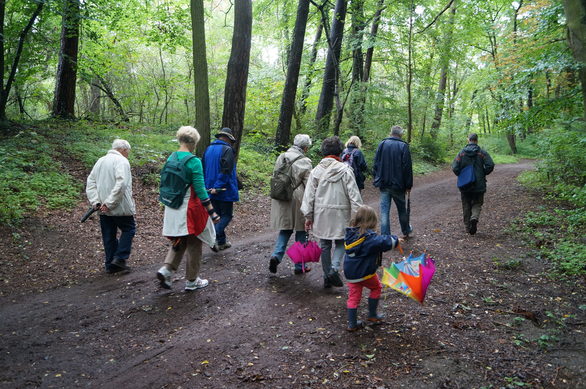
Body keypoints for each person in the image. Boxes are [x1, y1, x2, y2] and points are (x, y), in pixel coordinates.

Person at [157, 126, 220, 291]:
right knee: (194, 242)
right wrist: (212, 212)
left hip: (172, 205)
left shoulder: (171, 158)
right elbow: (200, 189)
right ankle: (192, 281)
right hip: (188, 208)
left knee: (179, 239)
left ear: (180, 140)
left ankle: (167, 270)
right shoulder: (194, 161)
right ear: (194, 142)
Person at [301, 136, 363, 288]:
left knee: (325, 244)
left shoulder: (315, 172)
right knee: (342, 241)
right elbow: (355, 196)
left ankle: (328, 277)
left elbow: (308, 197)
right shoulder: (346, 171)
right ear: (340, 152)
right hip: (342, 214)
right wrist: (357, 217)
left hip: (321, 214)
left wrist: (308, 216)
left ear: (323, 152)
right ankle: (334, 269)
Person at [344, 205, 402, 331]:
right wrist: (396, 240)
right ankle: (372, 315)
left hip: (351, 274)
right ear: (372, 222)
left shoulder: (350, 235)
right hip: (365, 273)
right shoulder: (368, 238)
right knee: (376, 287)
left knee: (353, 297)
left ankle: (352, 324)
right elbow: (382, 242)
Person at [86, 139, 136, 273]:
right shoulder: (122, 161)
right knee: (129, 229)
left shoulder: (100, 161)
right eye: (128, 152)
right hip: (119, 206)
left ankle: (110, 265)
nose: (128, 154)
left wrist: (96, 202)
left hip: (102, 206)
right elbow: (121, 184)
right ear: (124, 150)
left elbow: (91, 183)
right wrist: (109, 203)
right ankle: (120, 258)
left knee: (109, 235)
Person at [268, 134, 313, 275]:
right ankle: (300, 266)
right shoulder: (305, 161)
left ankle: (276, 255)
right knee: (301, 231)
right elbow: (309, 185)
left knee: (285, 229)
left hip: (282, 196)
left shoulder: (282, 156)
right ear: (305, 147)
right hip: (298, 197)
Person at [373, 125, 413, 239]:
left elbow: (376, 163)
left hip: (384, 183)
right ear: (400, 134)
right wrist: (408, 185)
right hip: (398, 185)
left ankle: (386, 236)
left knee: (384, 210)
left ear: (391, 133)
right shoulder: (403, 146)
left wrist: (376, 178)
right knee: (402, 209)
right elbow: (407, 167)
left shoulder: (382, 144)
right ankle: (406, 230)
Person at [202, 127, 239, 251]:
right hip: (223, 189)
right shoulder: (227, 149)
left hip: (209, 188)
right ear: (227, 138)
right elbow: (226, 170)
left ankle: (222, 242)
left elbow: (204, 169)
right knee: (227, 215)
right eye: (230, 140)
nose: (231, 143)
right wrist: (218, 187)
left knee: (217, 216)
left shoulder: (208, 149)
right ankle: (214, 238)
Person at [451, 133, 495, 235]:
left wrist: (462, 176)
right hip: (479, 184)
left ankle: (467, 227)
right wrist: (483, 173)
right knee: (477, 203)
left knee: (466, 205)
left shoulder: (461, 153)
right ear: (477, 140)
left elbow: (455, 167)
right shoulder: (482, 153)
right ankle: (474, 218)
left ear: (468, 140)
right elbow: (490, 165)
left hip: (465, 184)